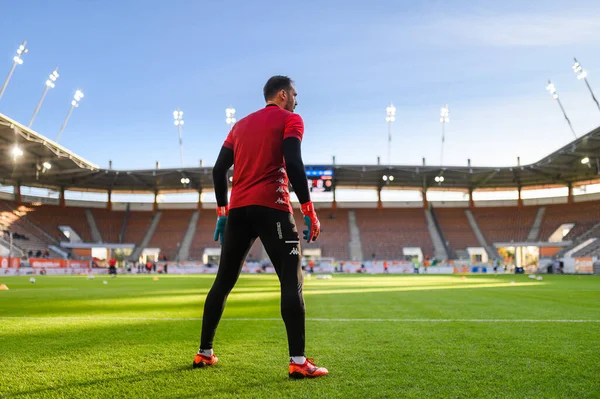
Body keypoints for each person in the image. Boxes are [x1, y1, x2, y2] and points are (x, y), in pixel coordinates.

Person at [193, 76, 327, 379]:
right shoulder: (290, 119)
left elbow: (218, 170)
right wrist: (309, 210)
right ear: (282, 94)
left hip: (239, 211)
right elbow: (293, 162)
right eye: (294, 94)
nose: (296, 99)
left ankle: (204, 353)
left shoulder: (239, 126)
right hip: (273, 209)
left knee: (223, 281)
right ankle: (298, 361)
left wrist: (222, 213)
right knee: (291, 280)